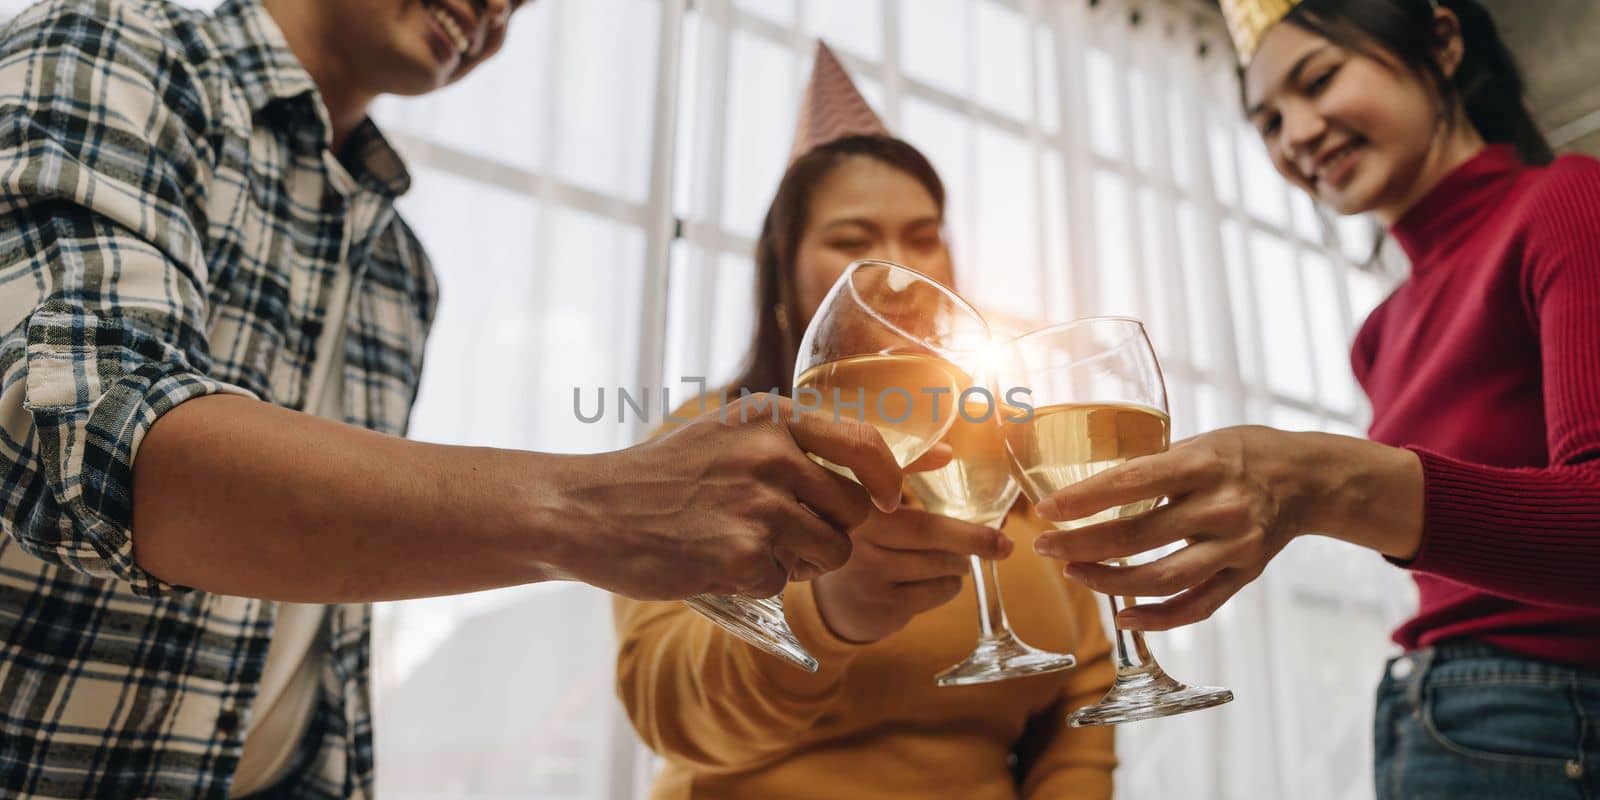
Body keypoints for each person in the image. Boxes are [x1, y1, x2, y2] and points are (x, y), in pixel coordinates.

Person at [0, 1, 915, 795]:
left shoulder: (400, 272)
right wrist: (595, 508)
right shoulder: (110, 48)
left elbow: (331, 615)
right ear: (783, 279)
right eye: (855, 239)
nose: (498, 12)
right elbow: (96, 444)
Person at [1029, 1, 1600, 796]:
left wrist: (1325, 482)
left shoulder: (1568, 202)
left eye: (1320, 79)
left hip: (1547, 715)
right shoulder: (1379, 334)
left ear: (1441, 38)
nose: (1295, 134)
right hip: (1420, 711)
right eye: (1267, 120)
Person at [613, 43, 1115, 800]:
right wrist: (824, 616)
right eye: (851, 242)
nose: (896, 272)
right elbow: (666, 706)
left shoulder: (1007, 448)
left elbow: (1085, 693)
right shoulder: (705, 444)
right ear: (784, 272)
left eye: (923, 237)